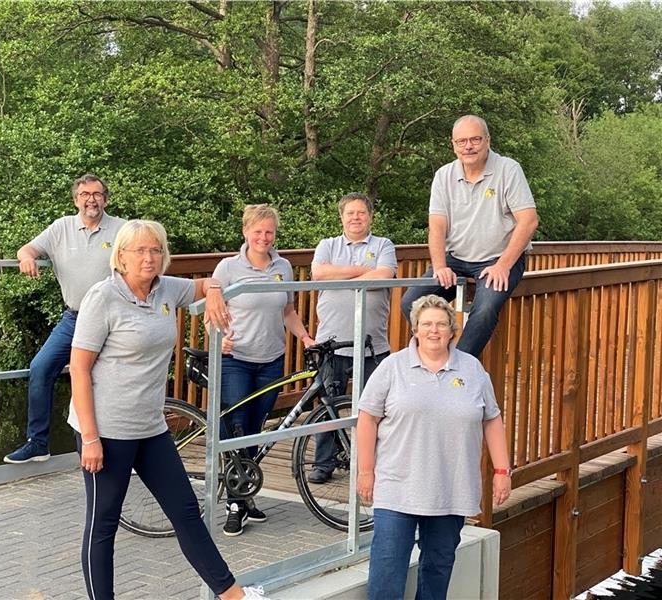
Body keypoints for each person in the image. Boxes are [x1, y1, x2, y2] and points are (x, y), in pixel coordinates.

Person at [68, 219, 269, 600]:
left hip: (151, 426)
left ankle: (233, 596)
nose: (149, 257)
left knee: (185, 511)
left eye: (156, 250)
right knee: (103, 523)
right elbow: (79, 368)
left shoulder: (164, 289)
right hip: (107, 429)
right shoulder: (103, 297)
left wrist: (211, 290)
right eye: (140, 250)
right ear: (121, 256)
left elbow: (209, 282)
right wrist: (90, 438)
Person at [357, 294, 512, 600]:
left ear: (452, 330)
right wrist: (365, 471)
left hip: (451, 490)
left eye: (441, 324)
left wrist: (502, 470)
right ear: (415, 329)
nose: (434, 330)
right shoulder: (392, 367)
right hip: (397, 489)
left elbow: (492, 420)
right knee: (387, 574)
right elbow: (366, 419)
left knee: (437, 571)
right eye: (426, 324)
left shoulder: (473, 370)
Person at [4, 174, 127, 464]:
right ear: (76, 200)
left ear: (106, 199)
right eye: (85, 194)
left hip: (114, 320)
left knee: (109, 377)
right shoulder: (61, 228)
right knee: (41, 367)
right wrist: (27, 258)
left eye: (96, 194)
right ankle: (38, 442)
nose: (91, 199)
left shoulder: (122, 229)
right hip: (74, 318)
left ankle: (119, 447)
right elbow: (28, 248)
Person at [213, 204, 315, 537]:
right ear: (245, 232)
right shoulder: (228, 268)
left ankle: (244, 498)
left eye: (269, 232)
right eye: (257, 231)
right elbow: (210, 311)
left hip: (271, 359)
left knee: (257, 428)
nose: (263, 237)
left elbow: (287, 309)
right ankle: (234, 504)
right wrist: (219, 340)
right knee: (238, 428)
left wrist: (304, 336)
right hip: (236, 359)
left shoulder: (283, 266)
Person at [400, 115, 538, 358]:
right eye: (461, 141)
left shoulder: (508, 169)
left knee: (484, 309)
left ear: (487, 140)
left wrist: (503, 266)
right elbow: (437, 227)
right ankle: (439, 355)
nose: (468, 146)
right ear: (453, 145)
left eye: (475, 139)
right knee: (410, 302)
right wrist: (440, 266)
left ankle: (460, 367)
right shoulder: (444, 175)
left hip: (498, 259)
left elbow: (528, 220)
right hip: (455, 258)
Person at [309, 192, 396, 484]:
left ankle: (369, 464)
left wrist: (342, 278)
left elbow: (383, 277)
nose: (356, 217)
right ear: (341, 217)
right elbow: (319, 274)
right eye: (350, 213)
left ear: (370, 216)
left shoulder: (383, 245)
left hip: (373, 346)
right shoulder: (327, 245)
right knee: (326, 406)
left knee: (374, 408)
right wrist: (364, 273)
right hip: (331, 343)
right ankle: (323, 463)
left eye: (361, 212)